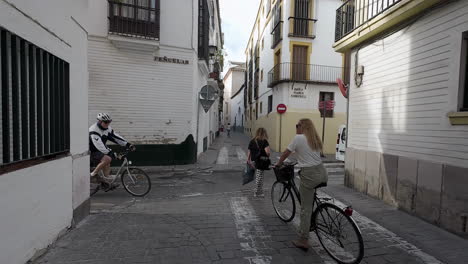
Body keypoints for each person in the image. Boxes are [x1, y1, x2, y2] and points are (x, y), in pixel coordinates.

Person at [276, 118, 328, 250]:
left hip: (309, 175)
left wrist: (278, 163)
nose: (296, 128)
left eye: (297, 125)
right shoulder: (314, 138)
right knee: (309, 201)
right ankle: (311, 222)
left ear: (302, 127)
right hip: (322, 172)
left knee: (305, 209)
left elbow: (286, 153)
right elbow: (307, 155)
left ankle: (303, 240)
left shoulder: (298, 138)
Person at [89, 113, 135, 187]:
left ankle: (106, 182)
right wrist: (112, 153)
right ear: (100, 121)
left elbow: (116, 137)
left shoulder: (107, 128)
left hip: (99, 150)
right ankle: (92, 176)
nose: (108, 124)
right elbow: (99, 146)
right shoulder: (94, 130)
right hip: (91, 151)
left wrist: (127, 144)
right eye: (106, 122)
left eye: (109, 122)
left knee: (107, 162)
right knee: (107, 159)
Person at [247, 127, 271, 198]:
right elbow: (268, 152)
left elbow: (249, 151)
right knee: (259, 176)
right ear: (264, 133)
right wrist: (267, 156)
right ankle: (258, 192)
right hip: (261, 161)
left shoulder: (252, 141)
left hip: (254, 161)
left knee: (258, 175)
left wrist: (248, 160)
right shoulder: (264, 141)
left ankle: (259, 191)